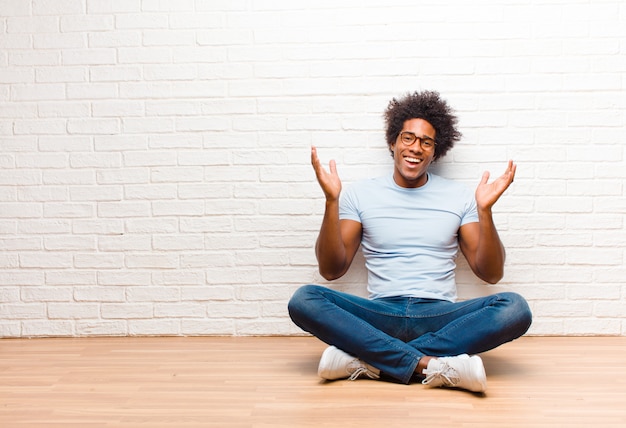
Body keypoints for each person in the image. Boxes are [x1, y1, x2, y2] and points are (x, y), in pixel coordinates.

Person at [288, 90, 532, 393]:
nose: (416, 148)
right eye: (408, 138)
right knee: (304, 299)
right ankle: (429, 365)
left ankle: (371, 360)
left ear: (435, 151)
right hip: (380, 315)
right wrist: (331, 201)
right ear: (393, 142)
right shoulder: (360, 194)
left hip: (439, 316)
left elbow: (491, 274)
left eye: (426, 142)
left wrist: (485, 211)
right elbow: (331, 269)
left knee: (515, 309)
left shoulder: (459, 197)